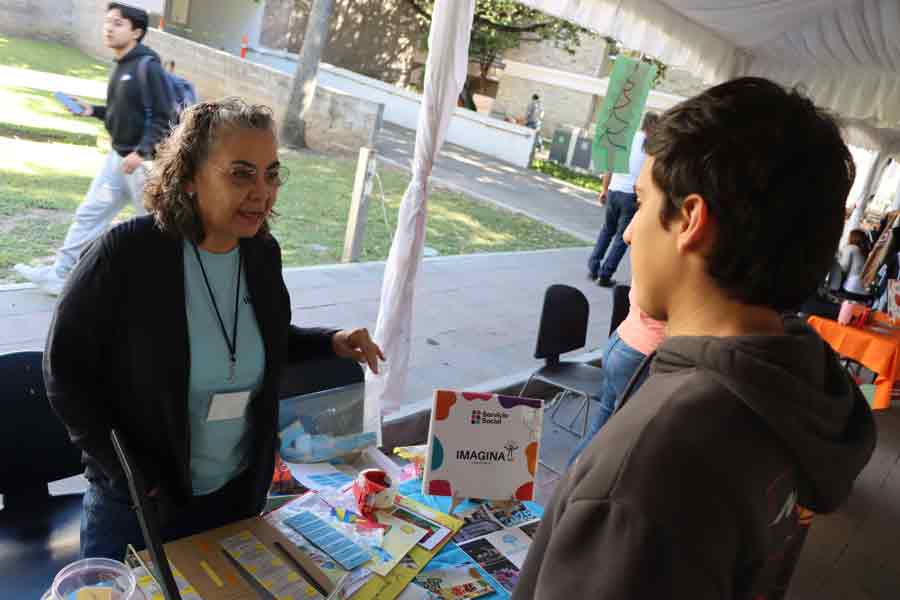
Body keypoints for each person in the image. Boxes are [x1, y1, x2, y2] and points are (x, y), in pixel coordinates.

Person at [513, 78, 876, 600]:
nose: (631, 230)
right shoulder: (802, 387)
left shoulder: (650, 468)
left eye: (641, 203)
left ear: (689, 220)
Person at [44, 98, 386, 561]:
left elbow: (262, 341)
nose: (262, 192)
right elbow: (65, 371)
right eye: (241, 173)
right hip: (142, 507)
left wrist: (329, 342)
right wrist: (124, 473)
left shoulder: (261, 254)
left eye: (271, 174)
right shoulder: (127, 255)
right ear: (188, 177)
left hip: (235, 497)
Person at [14, 3, 174, 295]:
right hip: (118, 162)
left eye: (118, 23)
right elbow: (125, 112)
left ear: (137, 31)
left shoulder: (147, 67)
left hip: (142, 167)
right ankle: (60, 274)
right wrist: (95, 111)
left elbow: (164, 116)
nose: (109, 28)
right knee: (90, 213)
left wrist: (141, 153)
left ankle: (164, 284)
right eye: (108, 22)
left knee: (155, 226)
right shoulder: (121, 65)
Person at [566, 287, 665, 467]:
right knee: (621, 439)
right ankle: (579, 487)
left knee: (602, 427)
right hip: (641, 355)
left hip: (625, 342)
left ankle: (567, 487)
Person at [588, 112, 659, 287]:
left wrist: (604, 189)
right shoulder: (651, 147)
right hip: (631, 196)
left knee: (607, 230)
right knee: (622, 237)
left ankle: (593, 267)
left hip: (614, 189)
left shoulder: (626, 139)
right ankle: (605, 275)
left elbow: (610, 167)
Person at [839, 229, 871, 294]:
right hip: (864, 288)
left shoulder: (850, 248)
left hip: (851, 286)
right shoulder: (866, 251)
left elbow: (843, 268)